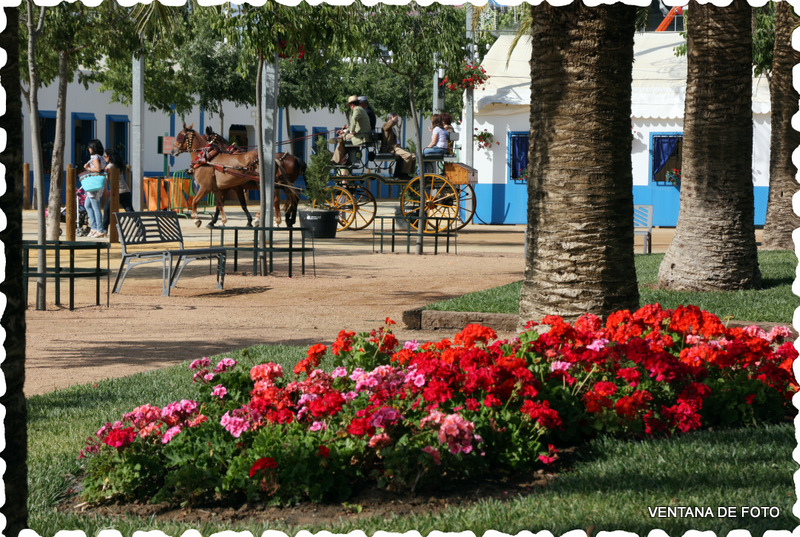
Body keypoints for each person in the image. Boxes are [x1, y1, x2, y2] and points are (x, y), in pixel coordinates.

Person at [330, 95, 372, 165]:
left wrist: (350, 131)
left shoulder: (357, 110)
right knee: (342, 137)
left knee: (341, 139)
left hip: (361, 136)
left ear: (352, 105)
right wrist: (344, 131)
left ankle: (336, 160)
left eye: (349, 106)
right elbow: (354, 124)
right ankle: (340, 159)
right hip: (364, 134)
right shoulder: (361, 109)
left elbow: (353, 120)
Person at [101, 148, 135, 234]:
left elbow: (104, 177)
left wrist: (106, 190)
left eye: (105, 156)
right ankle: (140, 227)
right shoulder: (118, 165)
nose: (104, 158)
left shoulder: (110, 166)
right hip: (126, 191)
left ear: (109, 157)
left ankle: (104, 229)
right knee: (130, 211)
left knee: (106, 209)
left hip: (117, 192)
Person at [81, 139, 107, 238]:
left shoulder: (95, 157)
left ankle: (99, 229)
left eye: (89, 147)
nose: (88, 149)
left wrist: (87, 168)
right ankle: (94, 227)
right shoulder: (101, 157)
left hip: (93, 185)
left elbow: (97, 169)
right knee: (87, 205)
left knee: (95, 207)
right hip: (97, 185)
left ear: (93, 148)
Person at [381, 113, 416, 180]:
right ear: (390, 118)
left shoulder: (393, 128)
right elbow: (388, 126)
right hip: (391, 148)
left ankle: (408, 173)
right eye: (396, 119)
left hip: (397, 147)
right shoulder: (385, 125)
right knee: (408, 156)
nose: (397, 121)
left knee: (413, 156)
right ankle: (402, 175)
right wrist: (393, 120)